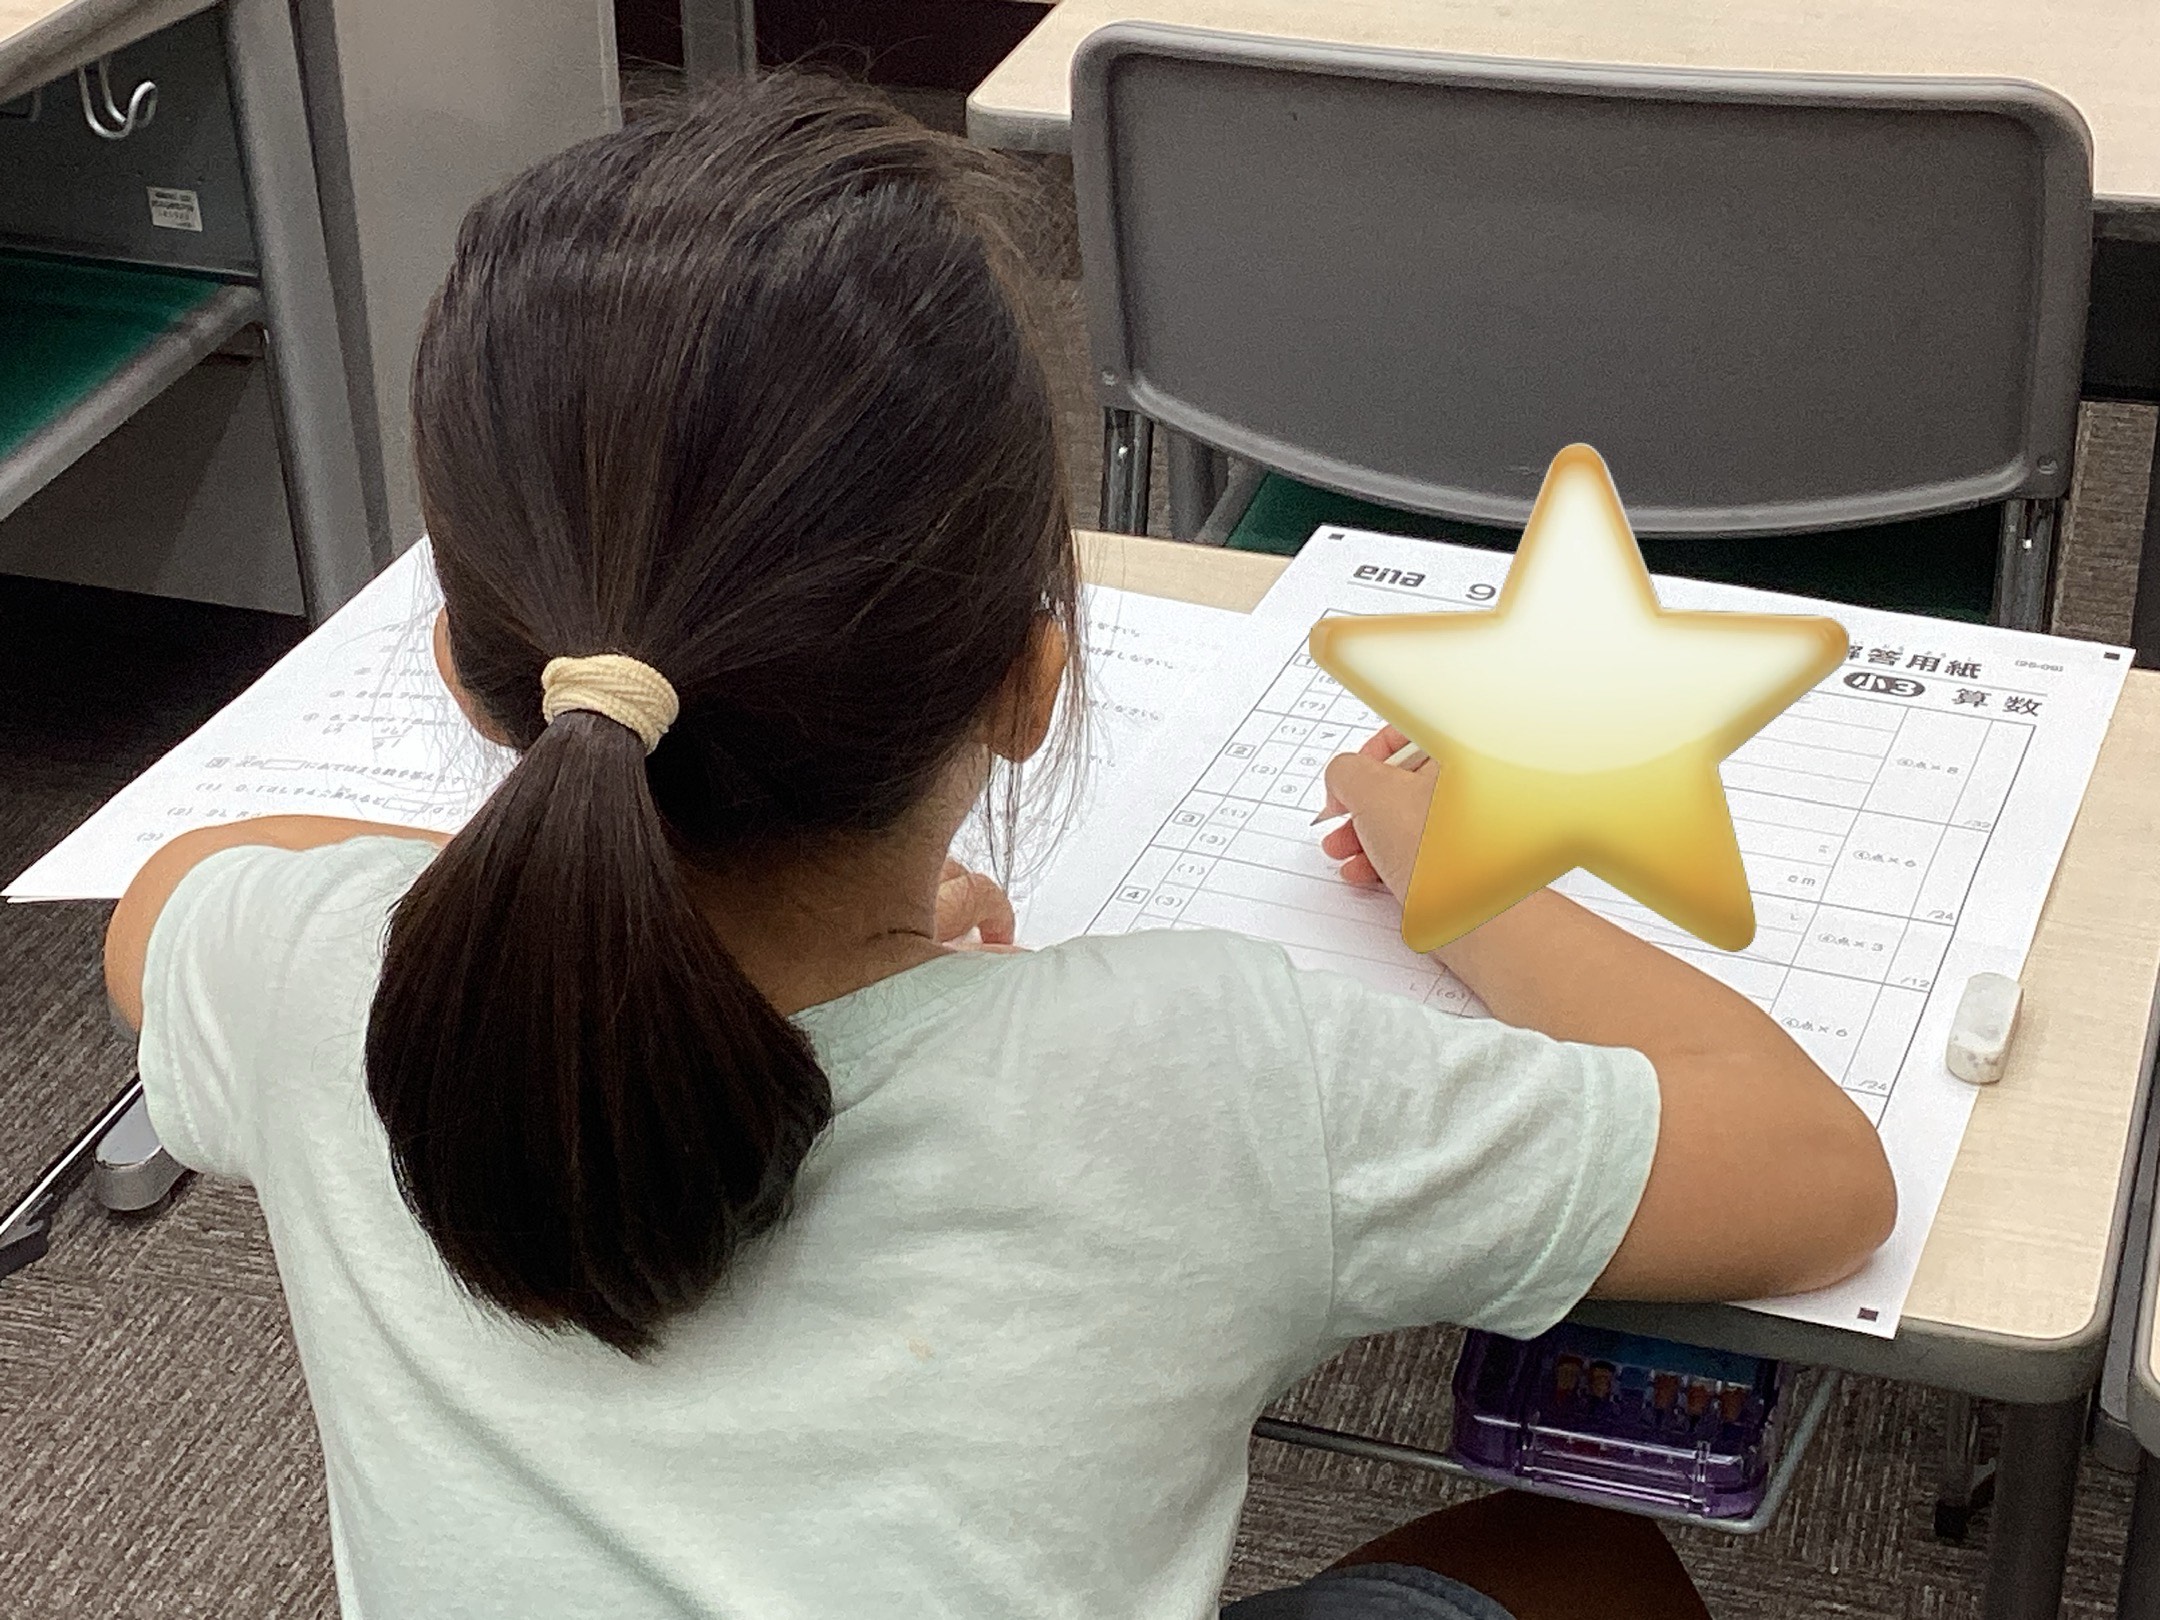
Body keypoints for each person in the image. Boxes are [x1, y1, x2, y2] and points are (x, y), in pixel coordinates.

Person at [101, 75, 1895, 1620]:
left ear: (474, 677)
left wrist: (572, 867)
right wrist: (1459, 869)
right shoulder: (1213, 1072)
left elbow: (170, 894)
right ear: (1032, 685)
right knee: (1584, 1563)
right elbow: (1819, 1177)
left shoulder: (316, 976)